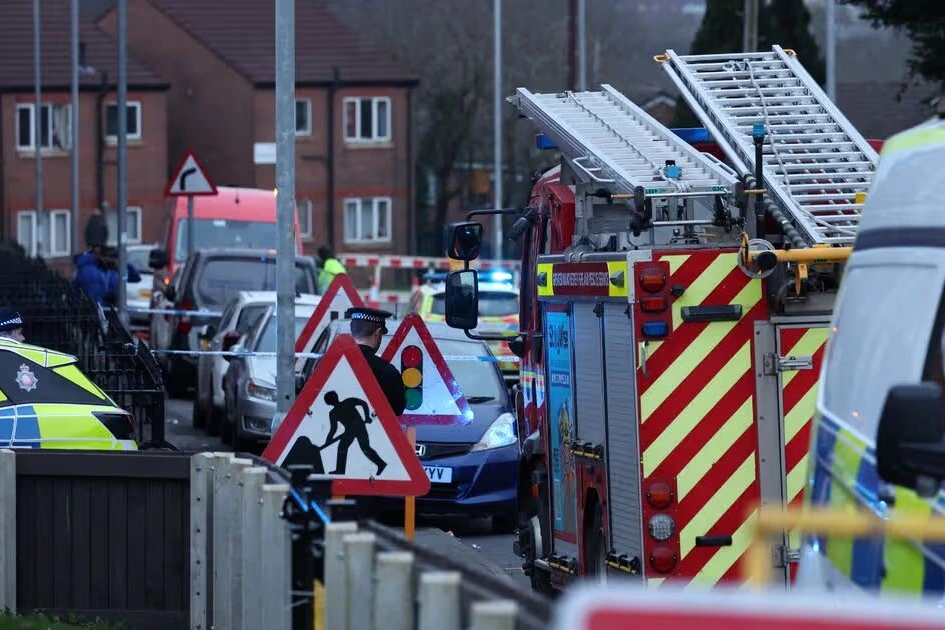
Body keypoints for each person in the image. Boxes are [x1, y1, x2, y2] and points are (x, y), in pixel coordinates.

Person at [348, 307, 406, 416]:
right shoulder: (387, 372)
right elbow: (397, 410)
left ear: (352, 331)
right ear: (378, 333)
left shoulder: (328, 365)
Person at [322, 390, 387, 476]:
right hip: (349, 432)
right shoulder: (334, 412)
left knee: (364, 447)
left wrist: (367, 417)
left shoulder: (348, 402)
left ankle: (381, 464)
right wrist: (328, 440)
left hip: (360, 427)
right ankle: (340, 470)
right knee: (342, 447)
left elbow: (363, 403)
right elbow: (333, 429)